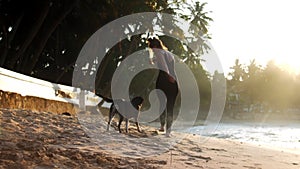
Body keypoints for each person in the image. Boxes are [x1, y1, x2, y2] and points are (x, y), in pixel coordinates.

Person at [147, 37, 179, 137]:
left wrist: (168, 76)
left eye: (152, 49)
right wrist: (153, 60)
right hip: (174, 81)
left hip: (164, 79)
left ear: (155, 47)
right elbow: (162, 61)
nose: (153, 51)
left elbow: (164, 66)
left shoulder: (159, 52)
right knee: (170, 106)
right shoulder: (167, 53)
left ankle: (162, 126)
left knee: (162, 103)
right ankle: (168, 130)